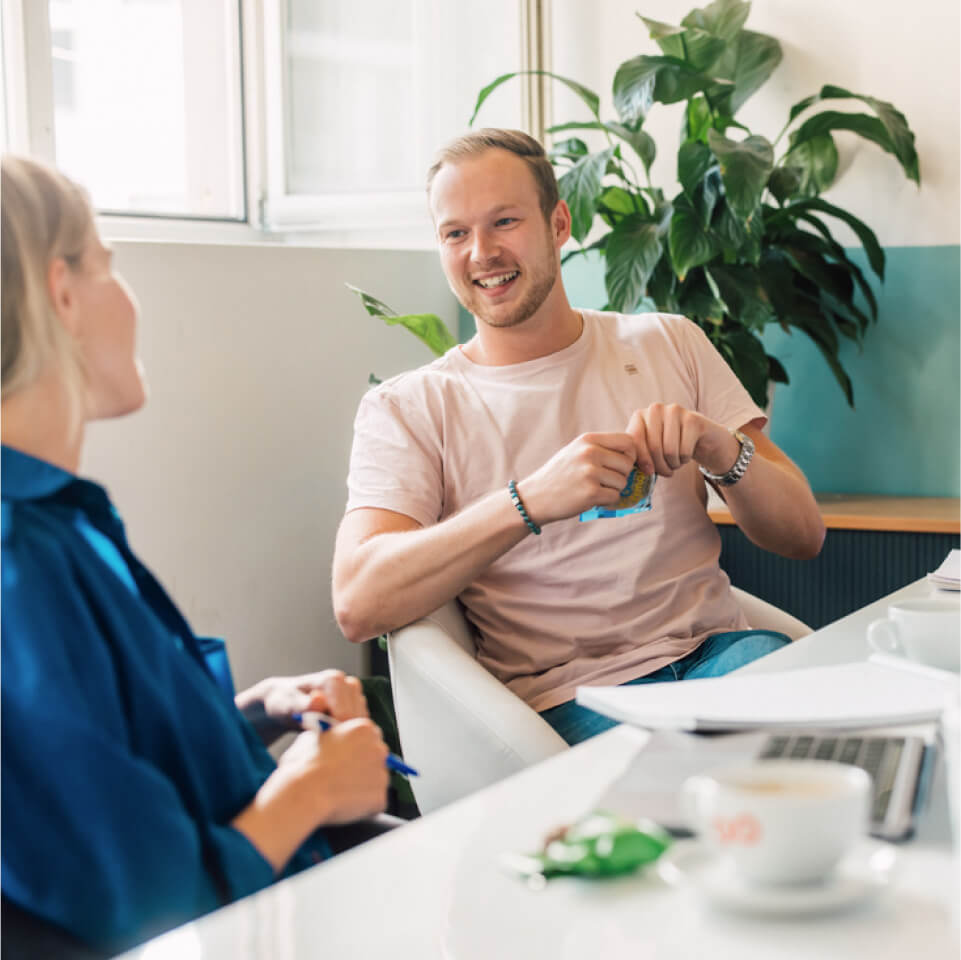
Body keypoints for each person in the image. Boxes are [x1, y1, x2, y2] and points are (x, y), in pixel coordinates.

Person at [0, 154, 392, 957]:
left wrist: (249, 712)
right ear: (62, 294)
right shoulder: (19, 566)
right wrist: (312, 789)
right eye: (111, 263)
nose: (127, 293)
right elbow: (150, 904)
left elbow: (92, 767)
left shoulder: (58, 523)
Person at [332, 128, 825, 746]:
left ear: (558, 223)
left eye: (504, 221)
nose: (481, 252)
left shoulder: (669, 341)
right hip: (573, 708)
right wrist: (529, 501)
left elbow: (804, 534)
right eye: (455, 233)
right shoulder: (408, 407)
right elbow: (357, 600)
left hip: (726, 659)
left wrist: (718, 448)